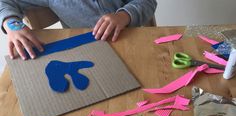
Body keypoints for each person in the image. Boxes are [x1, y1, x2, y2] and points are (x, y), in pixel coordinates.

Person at [0, 0, 157, 60]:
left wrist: (124, 16)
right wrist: (12, 25)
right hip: (90, 53)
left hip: (134, 43)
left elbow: (148, 2)